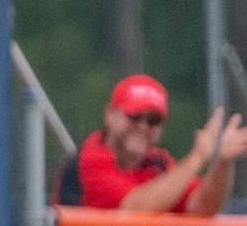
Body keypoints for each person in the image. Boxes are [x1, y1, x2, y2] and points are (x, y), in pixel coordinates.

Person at [55, 73, 247, 214]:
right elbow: (135, 209)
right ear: (110, 115)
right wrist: (197, 158)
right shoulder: (90, 159)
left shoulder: (159, 164)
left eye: (153, 121)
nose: (143, 127)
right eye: (134, 117)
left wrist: (222, 162)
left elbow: (203, 207)